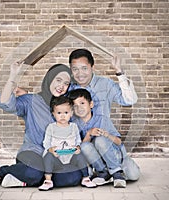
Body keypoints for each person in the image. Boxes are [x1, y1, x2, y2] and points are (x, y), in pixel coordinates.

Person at [0, 62, 82, 188]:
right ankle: (1, 172)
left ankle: (22, 179)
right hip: (32, 153)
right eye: (58, 80)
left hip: (55, 156)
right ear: (49, 79)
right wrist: (13, 76)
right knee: (35, 171)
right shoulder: (30, 100)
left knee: (73, 176)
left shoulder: (67, 106)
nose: (61, 86)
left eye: (66, 83)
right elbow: (5, 103)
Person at [68, 49, 140, 184]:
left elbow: (130, 100)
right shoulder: (70, 91)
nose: (80, 74)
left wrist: (119, 71)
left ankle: (118, 165)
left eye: (84, 68)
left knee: (133, 175)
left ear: (92, 67)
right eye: (75, 69)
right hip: (88, 148)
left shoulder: (105, 84)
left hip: (108, 144)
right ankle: (102, 170)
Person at [68, 88, 140, 188]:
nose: (79, 108)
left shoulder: (102, 119)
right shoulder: (74, 124)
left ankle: (117, 171)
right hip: (98, 161)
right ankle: (103, 172)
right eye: (75, 105)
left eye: (82, 103)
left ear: (91, 104)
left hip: (116, 156)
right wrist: (89, 133)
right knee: (84, 146)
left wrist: (107, 135)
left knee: (133, 175)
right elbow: (80, 149)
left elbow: (119, 142)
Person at [38, 95, 96, 191]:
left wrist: (77, 147)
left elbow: (78, 140)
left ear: (71, 113)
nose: (63, 116)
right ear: (53, 114)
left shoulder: (73, 127)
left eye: (66, 112)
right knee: (48, 156)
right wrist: (50, 149)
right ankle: (48, 180)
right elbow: (46, 142)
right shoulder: (51, 127)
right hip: (57, 157)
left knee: (80, 156)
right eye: (59, 113)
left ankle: (86, 178)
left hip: (70, 156)